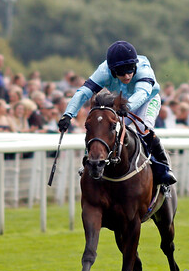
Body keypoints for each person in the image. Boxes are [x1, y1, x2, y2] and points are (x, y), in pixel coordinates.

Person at [57, 41, 176, 187]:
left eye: (130, 69)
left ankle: (164, 167)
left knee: (143, 128)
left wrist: (128, 106)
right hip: (120, 102)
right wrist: (68, 114)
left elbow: (142, 93)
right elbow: (83, 92)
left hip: (147, 100)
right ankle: (90, 161)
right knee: (103, 129)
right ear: (112, 70)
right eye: (121, 72)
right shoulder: (103, 71)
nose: (127, 75)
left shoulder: (143, 69)